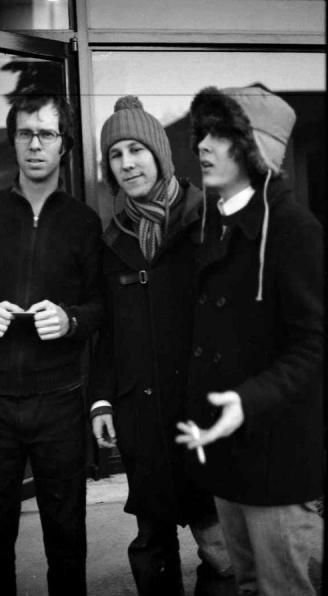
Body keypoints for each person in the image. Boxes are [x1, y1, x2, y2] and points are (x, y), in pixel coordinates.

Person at [0, 89, 103, 596]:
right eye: (26, 133)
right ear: (13, 142)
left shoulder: (82, 222)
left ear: (64, 145)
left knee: (67, 536)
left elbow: (101, 305)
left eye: (46, 134)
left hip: (60, 400)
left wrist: (70, 320)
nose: (35, 144)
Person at [177, 83, 324, 596]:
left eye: (220, 134)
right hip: (227, 452)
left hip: (276, 458)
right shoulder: (215, 222)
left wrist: (249, 400)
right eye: (202, 133)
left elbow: (314, 344)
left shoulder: (293, 228)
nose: (203, 145)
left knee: (282, 589)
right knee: (247, 585)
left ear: (255, 147)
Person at [90, 96, 234, 596]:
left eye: (137, 149)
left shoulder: (210, 221)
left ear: (160, 155)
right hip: (142, 419)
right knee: (152, 545)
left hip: (205, 419)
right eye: (115, 154)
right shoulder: (112, 241)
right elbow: (108, 333)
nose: (127, 163)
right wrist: (102, 399)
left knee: (222, 551)